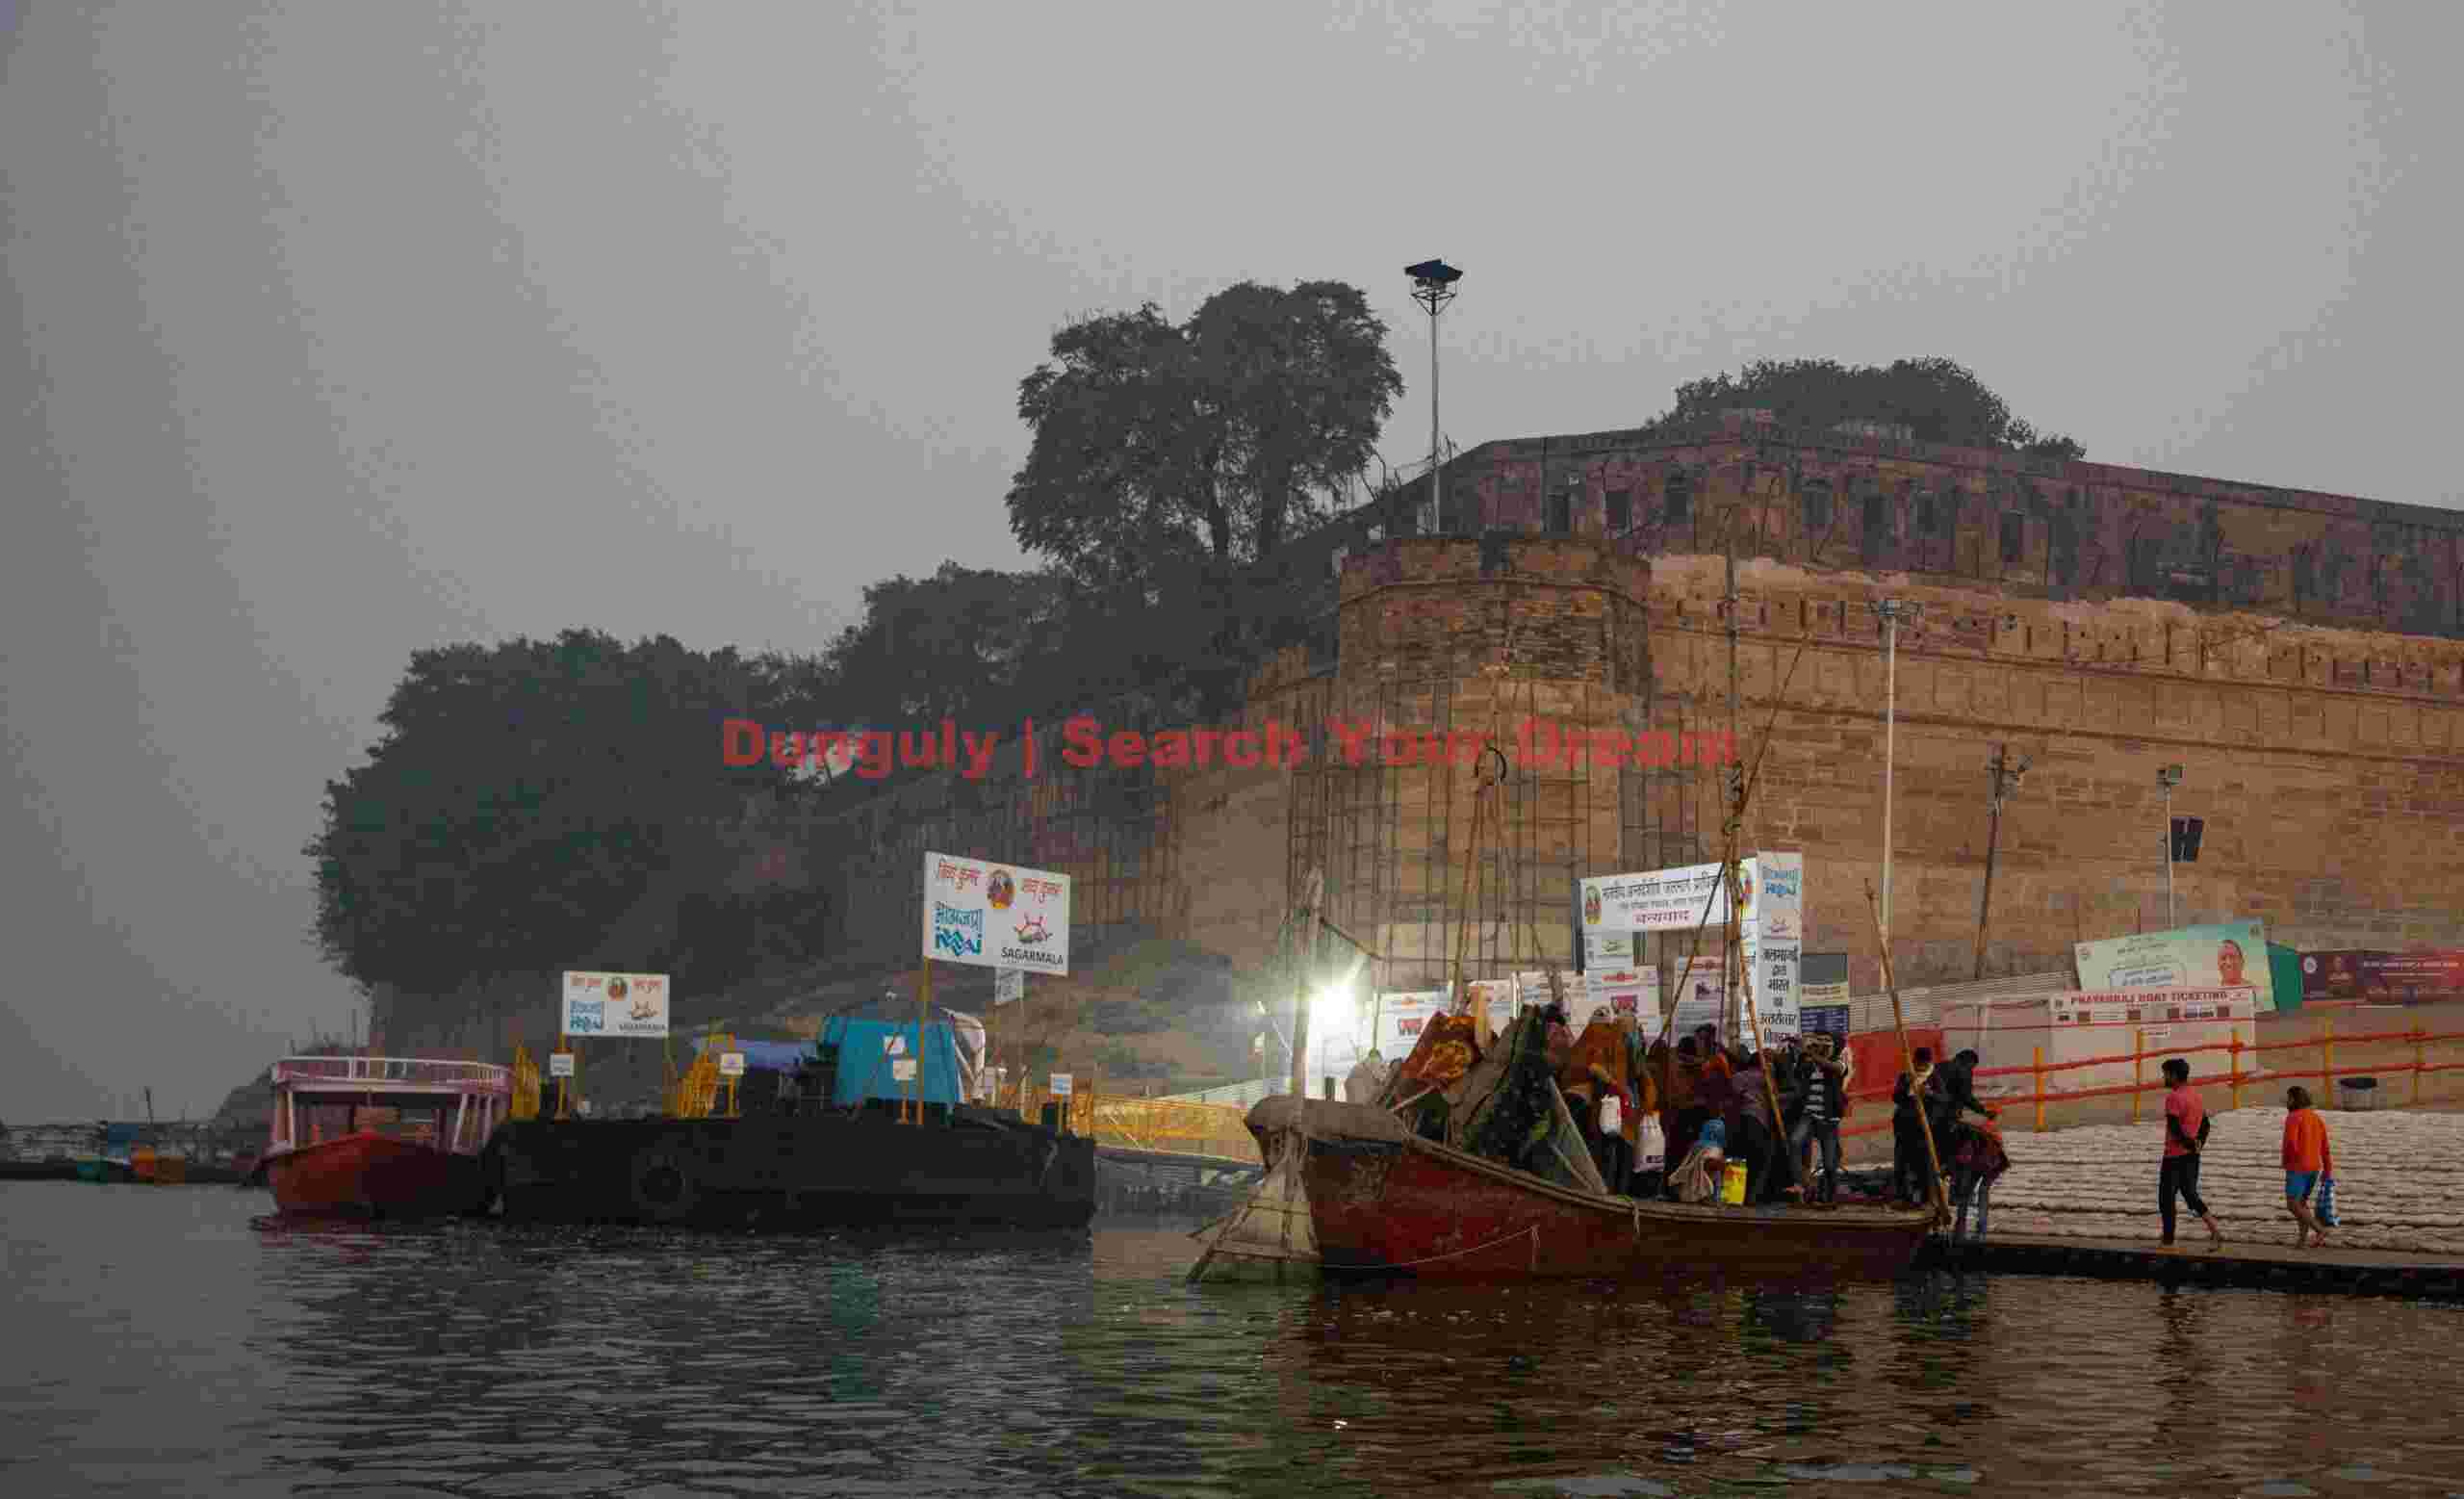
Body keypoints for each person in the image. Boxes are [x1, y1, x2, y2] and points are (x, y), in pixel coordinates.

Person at [2159, 1057, 2224, 1251]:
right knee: (2190, 1194)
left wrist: (2187, 1143)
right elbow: (2205, 1124)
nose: (2163, 1078)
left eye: (2165, 1074)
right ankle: (2214, 1228)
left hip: (2174, 1155)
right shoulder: (2196, 1095)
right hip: (2192, 1155)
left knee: (2166, 1198)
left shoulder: (2174, 1097)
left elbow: (2174, 1127)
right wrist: (2198, 1144)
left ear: (2173, 1075)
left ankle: (2168, 1241)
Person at [1791, 1031, 1853, 1203]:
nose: (1823, 1044)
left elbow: (1834, 1068)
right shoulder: (1811, 1061)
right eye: (1821, 1041)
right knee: (1795, 1142)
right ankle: (1804, 1184)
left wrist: (1810, 1053)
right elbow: (1797, 1074)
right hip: (1809, 1114)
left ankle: (1829, 1196)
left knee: (1829, 1164)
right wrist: (1803, 1053)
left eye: (1828, 1041)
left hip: (1829, 1118)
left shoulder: (1839, 1062)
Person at [2281, 1085, 2334, 1249]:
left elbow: (2291, 1142)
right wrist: (2327, 1169)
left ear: (2295, 1100)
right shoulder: (2316, 1118)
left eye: (2289, 1098)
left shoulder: (2293, 1117)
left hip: (2298, 1167)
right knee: (2301, 1205)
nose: (2287, 1101)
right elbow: (2325, 1147)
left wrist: (2289, 1160)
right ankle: (2302, 1241)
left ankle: (2319, 1230)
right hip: (2314, 1168)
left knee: (2293, 1204)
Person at [1891, 1047, 1937, 1205]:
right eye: (1919, 1064)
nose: (1921, 1067)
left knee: (1924, 1165)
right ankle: (1902, 1196)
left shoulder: (1935, 1078)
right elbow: (1896, 1097)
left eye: (1925, 1064)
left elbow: (1943, 1099)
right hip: (1904, 1128)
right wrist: (1910, 1088)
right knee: (1901, 1164)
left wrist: (1929, 1094)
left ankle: (1925, 1198)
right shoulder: (1905, 1076)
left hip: (1925, 1130)